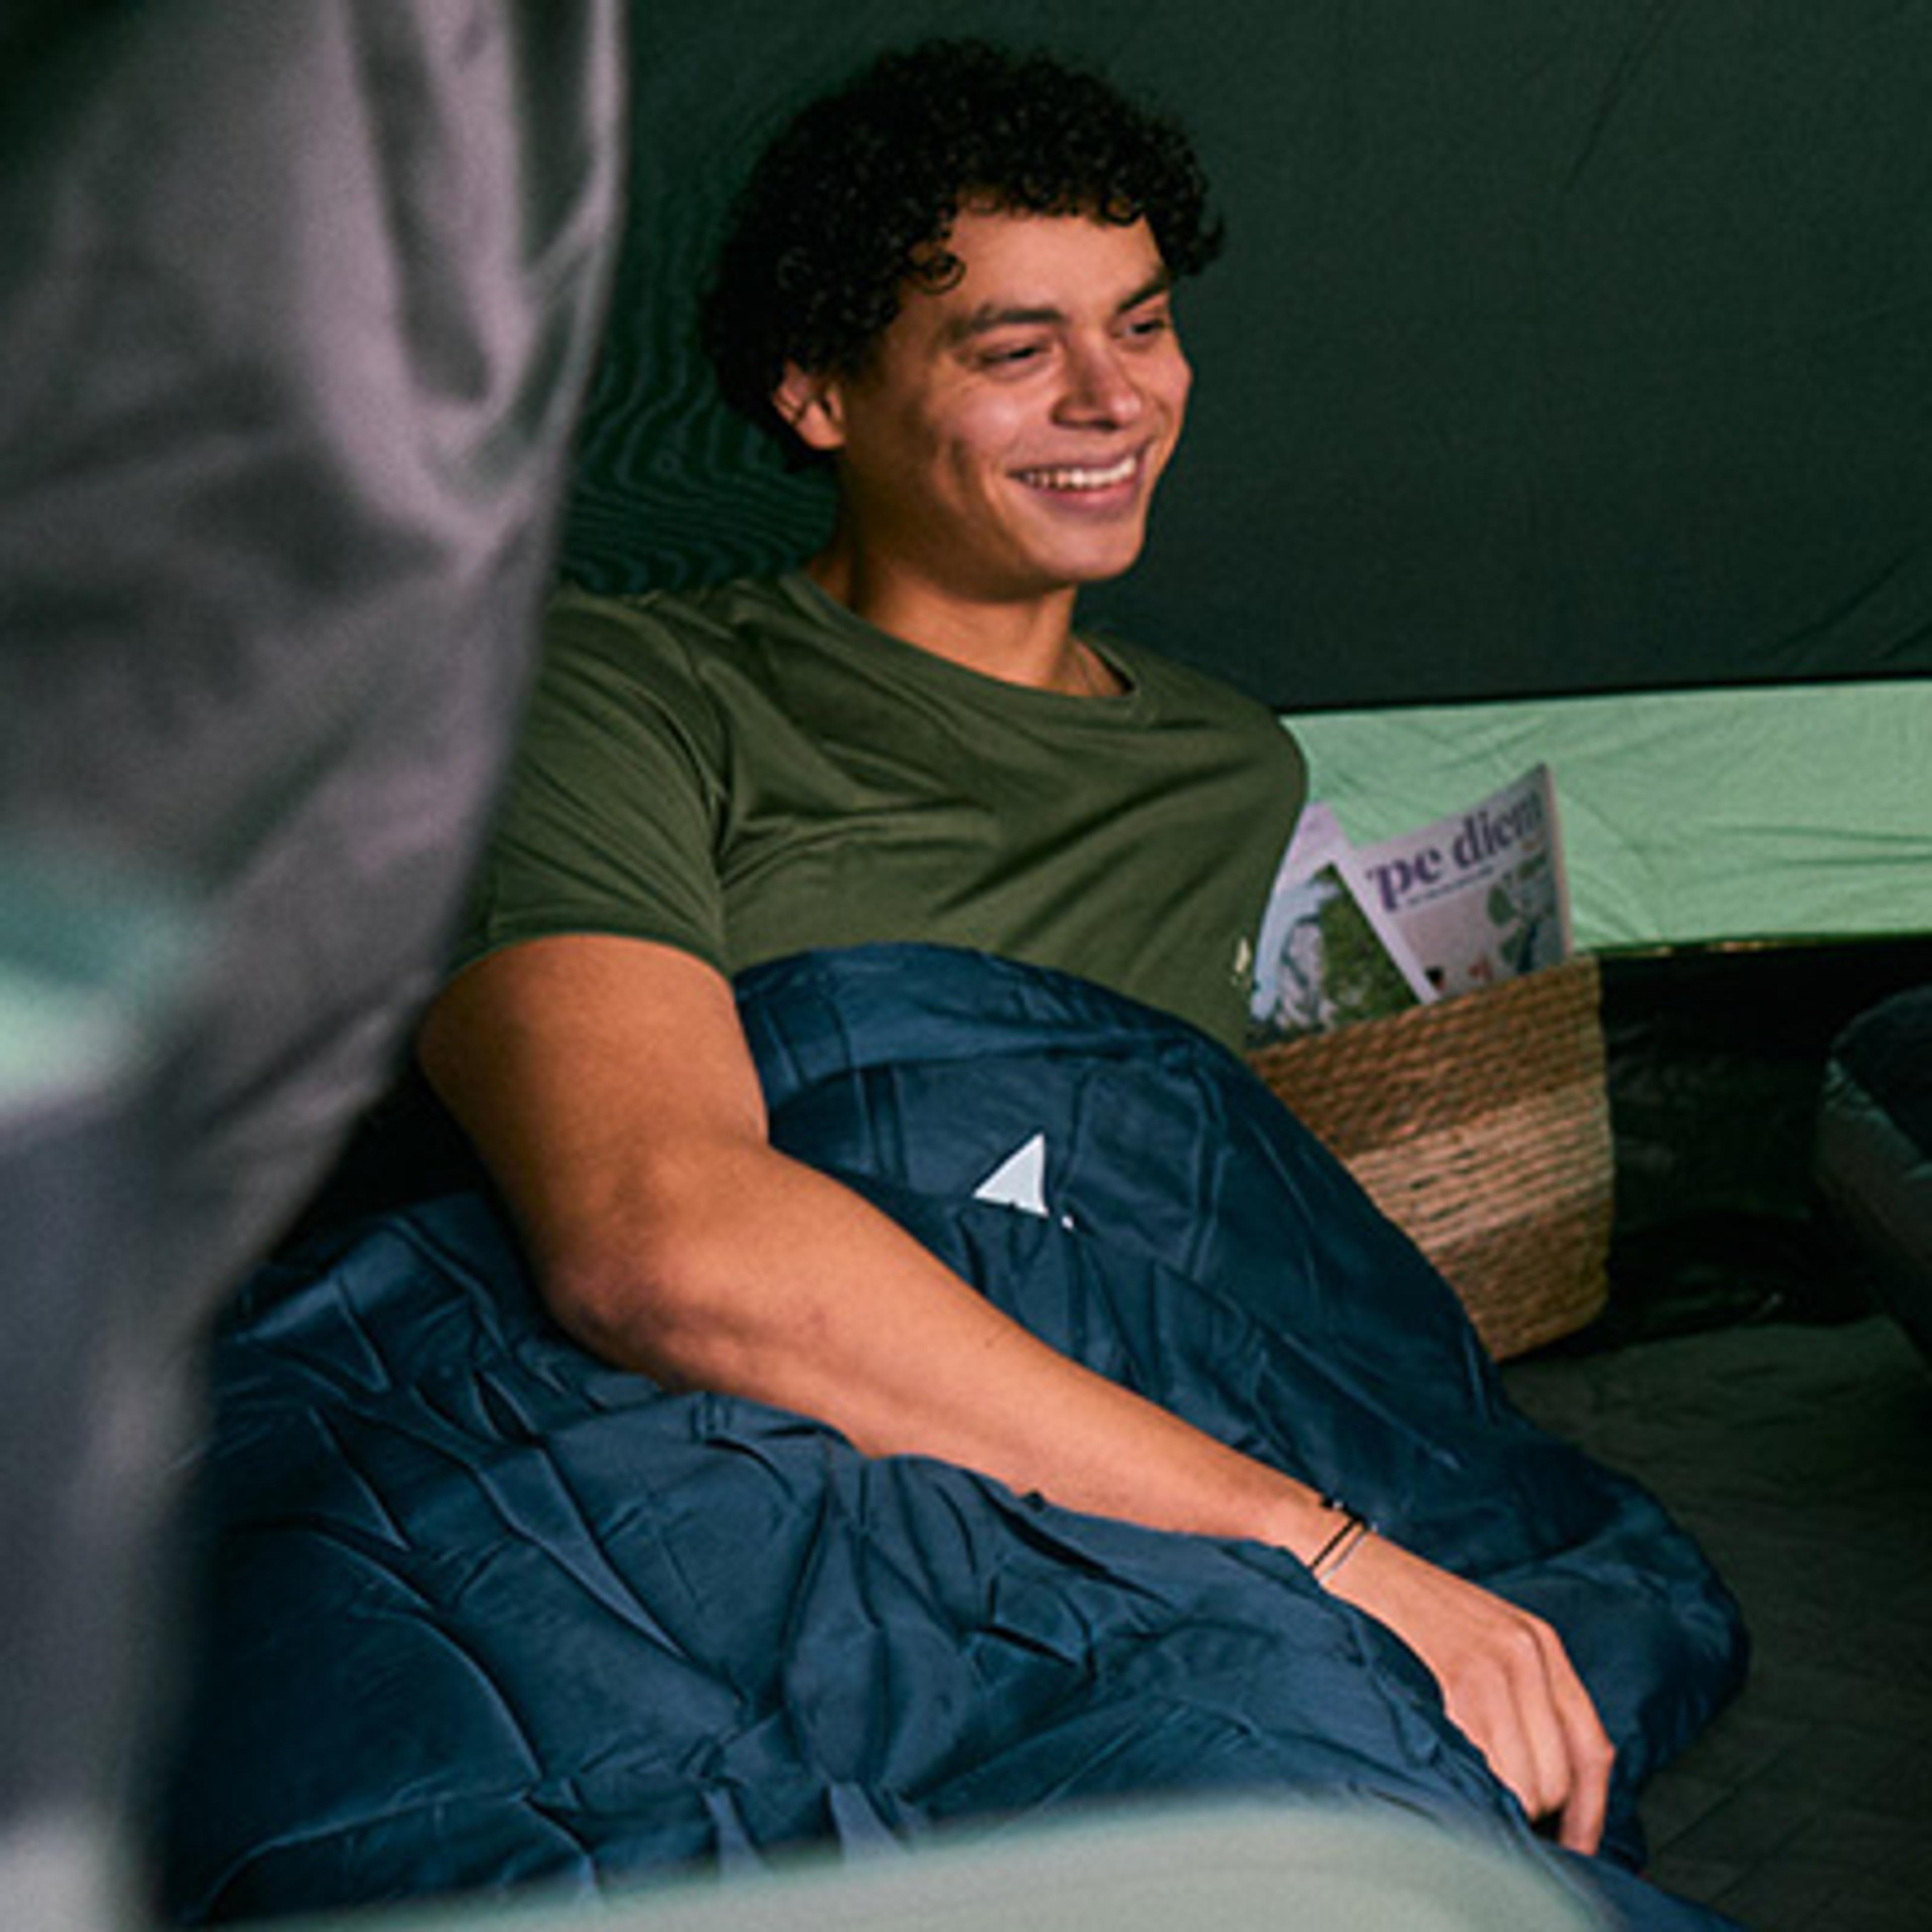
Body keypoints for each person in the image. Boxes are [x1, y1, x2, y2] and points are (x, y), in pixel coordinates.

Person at [417, 37, 1618, 1862]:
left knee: (1561, 1653)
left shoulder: (1229, 764)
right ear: (816, 391)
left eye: (1141, 326)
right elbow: (649, 1237)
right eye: (1012, 349)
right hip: (712, 1431)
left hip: (1091, 1435)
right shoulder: (614, 694)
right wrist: (1319, 1544)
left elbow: (1151, 1228)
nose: (1111, 400)